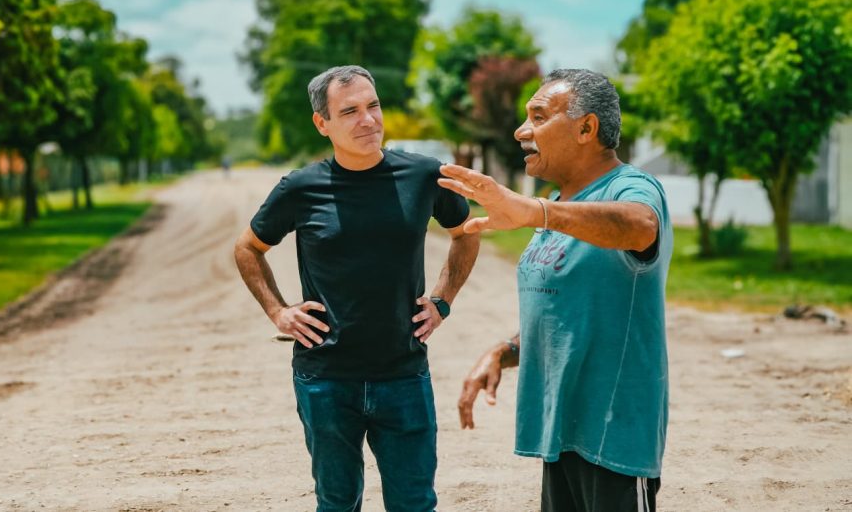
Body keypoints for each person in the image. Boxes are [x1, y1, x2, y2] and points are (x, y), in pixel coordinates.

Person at [234, 65, 480, 512]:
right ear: (322, 123)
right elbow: (248, 249)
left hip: (404, 372)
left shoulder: (425, 175)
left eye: (373, 106)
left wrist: (443, 300)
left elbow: (466, 232)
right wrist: (278, 312)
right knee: (337, 503)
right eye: (349, 111)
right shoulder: (300, 188)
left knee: (414, 503)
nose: (368, 120)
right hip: (325, 379)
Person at [438, 69, 673, 512]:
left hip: (614, 437)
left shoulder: (632, 187)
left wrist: (533, 210)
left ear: (587, 128)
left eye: (538, 116)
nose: (520, 130)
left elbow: (640, 226)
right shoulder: (559, 206)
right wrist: (504, 352)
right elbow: (573, 310)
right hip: (561, 432)